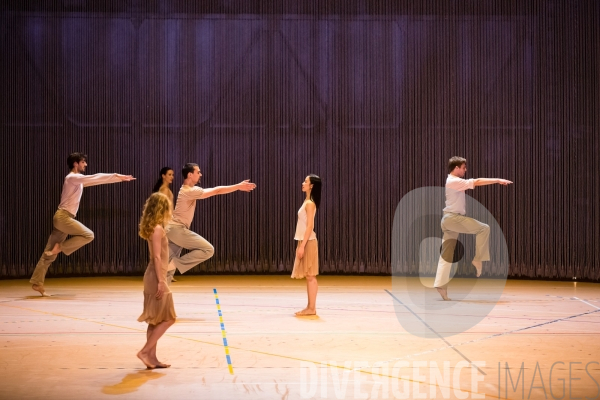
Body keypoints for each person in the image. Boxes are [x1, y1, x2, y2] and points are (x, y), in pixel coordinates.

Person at [30, 152, 135, 296]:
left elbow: (96, 180)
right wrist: (117, 175)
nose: (85, 164)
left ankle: (37, 282)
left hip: (63, 218)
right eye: (83, 162)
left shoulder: (77, 180)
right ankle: (60, 247)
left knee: (49, 253)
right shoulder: (72, 177)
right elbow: (95, 177)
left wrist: (117, 178)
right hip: (63, 218)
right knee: (88, 235)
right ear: (75, 163)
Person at [434, 156, 512, 301]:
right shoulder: (453, 181)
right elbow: (477, 181)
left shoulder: (452, 181)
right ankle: (478, 259)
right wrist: (497, 180)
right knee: (484, 228)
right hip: (453, 218)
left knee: (446, 255)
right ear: (456, 168)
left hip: (449, 220)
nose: (465, 170)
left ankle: (441, 285)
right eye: (463, 167)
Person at [166, 163, 256, 279]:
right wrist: (237, 186)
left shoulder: (187, 190)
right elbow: (216, 191)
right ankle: (174, 265)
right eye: (198, 172)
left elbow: (215, 190)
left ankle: (160, 292)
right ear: (190, 175)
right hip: (176, 229)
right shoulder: (189, 191)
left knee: (167, 271)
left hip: (173, 230)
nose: (200, 174)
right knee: (208, 250)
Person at [137, 192, 176, 369]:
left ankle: (151, 358)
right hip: (156, 276)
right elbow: (157, 258)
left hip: (153, 275)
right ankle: (145, 351)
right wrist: (162, 281)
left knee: (155, 320)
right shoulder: (158, 229)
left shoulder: (153, 227)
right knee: (169, 318)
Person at [291, 174, 322, 316]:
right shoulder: (307, 201)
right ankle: (310, 307)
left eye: (306, 181)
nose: (303, 183)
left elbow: (310, 226)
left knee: (311, 275)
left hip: (308, 242)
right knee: (309, 276)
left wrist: (302, 246)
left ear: (311, 186)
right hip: (305, 241)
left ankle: (311, 308)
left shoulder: (310, 204)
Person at [152, 167, 177, 282]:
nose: (172, 177)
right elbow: (161, 208)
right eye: (169, 174)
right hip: (165, 221)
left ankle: (166, 272)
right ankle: (164, 273)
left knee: (168, 248)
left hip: (168, 220)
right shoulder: (163, 190)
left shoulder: (165, 189)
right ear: (163, 176)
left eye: (172, 175)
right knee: (167, 248)